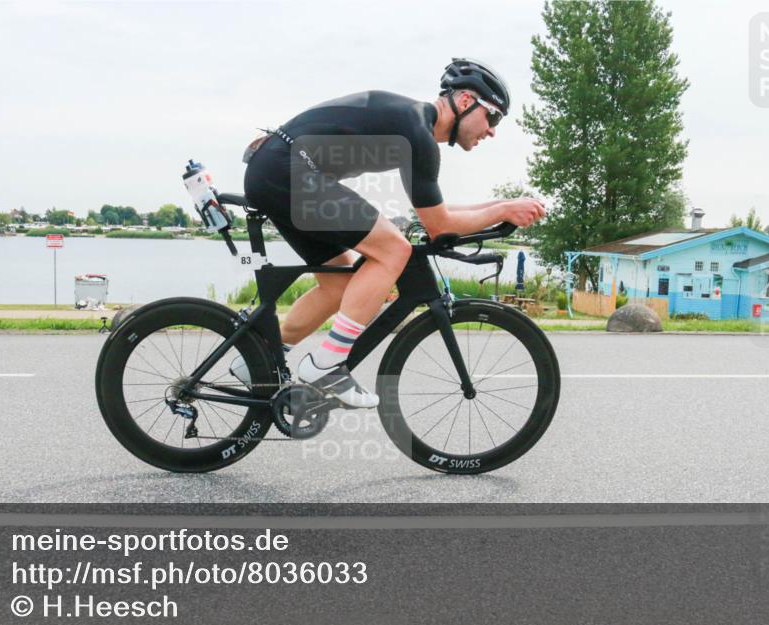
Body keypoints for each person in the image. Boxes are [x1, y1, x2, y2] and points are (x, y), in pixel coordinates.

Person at [232, 58, 545, 408]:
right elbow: (439, 227)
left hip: (279, 170)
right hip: (287, 171)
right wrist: (502, 211)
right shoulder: (416, 132)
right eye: (494, 117)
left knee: (338, 285)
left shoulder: (412, 125)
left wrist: (502, 204)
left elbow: (433, 215)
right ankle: (326, 364)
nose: (492, 131)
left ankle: (255, 359)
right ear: (467, 101)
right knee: (394, 250)